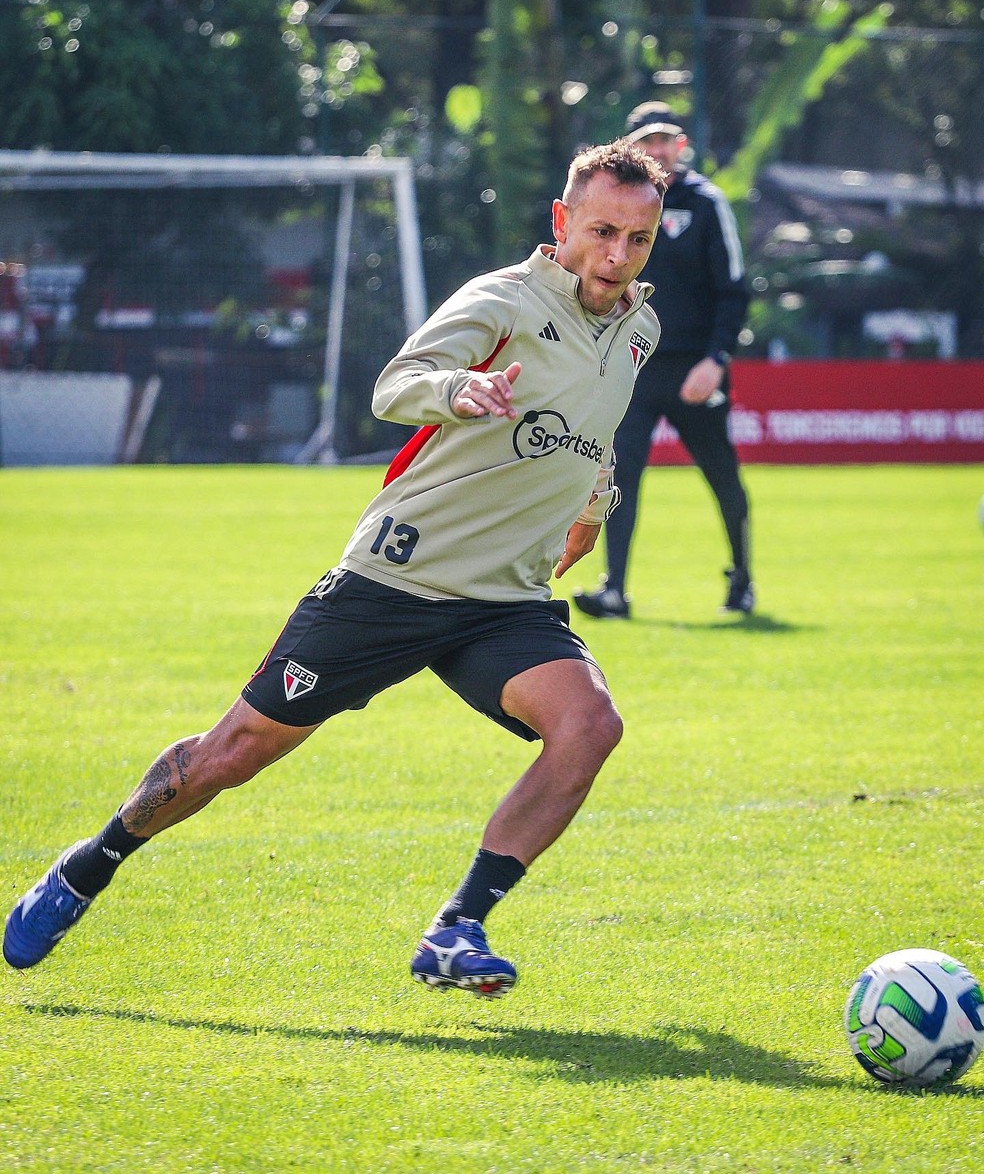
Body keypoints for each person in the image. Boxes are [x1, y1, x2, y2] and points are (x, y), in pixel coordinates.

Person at [4, 140, 668, 998]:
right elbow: (397, 383)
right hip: (395, 580)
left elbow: (599, 429)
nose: (617, 256)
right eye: (602, 231)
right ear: (562, 221)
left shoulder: (641, 329)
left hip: (505, 602)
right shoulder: (502, 300)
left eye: (638, 239)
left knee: (591, 726)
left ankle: (456, 930)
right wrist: (457, 391)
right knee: (231, 754)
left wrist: (592, 508)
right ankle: (88, 867)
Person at [574, 101, 754, 619]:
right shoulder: (611, 206)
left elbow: (734, 290)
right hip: (633, 364)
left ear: (681, 146)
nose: (658, 150)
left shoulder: (705, 202)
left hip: (694, 365)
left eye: (666, 140)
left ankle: (742, 580)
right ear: (628, 149)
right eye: (646, 141)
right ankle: (615, 589)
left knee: (723, 474)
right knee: (616, 476)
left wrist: (716, 359)